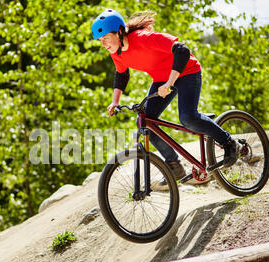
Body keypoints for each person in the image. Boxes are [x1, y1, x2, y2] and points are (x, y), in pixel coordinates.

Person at [92, 9, 239, 189]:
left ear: (120, 31)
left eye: (105, 37)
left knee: (188, 118)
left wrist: (170, 82)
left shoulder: (144, 38)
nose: (103, 43)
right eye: (100, 40)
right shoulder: (117, 52)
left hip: (186, 72)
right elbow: (121, 74)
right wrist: (115, 101)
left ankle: (229, 142)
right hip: (162, 79)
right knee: (144, 121)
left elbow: (182, 50)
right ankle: (174, 166)